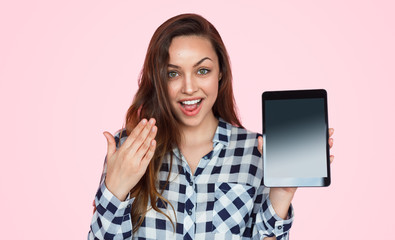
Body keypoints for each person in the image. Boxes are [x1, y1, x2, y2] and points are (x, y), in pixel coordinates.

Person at [88, 13, 335, 240]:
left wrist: (282, 193)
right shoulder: (130, 149)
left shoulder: (256, 153)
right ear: (158, 79)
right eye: (173, 74)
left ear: (220, 73)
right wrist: (115, 188)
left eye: (202, 70)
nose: (188, 87)